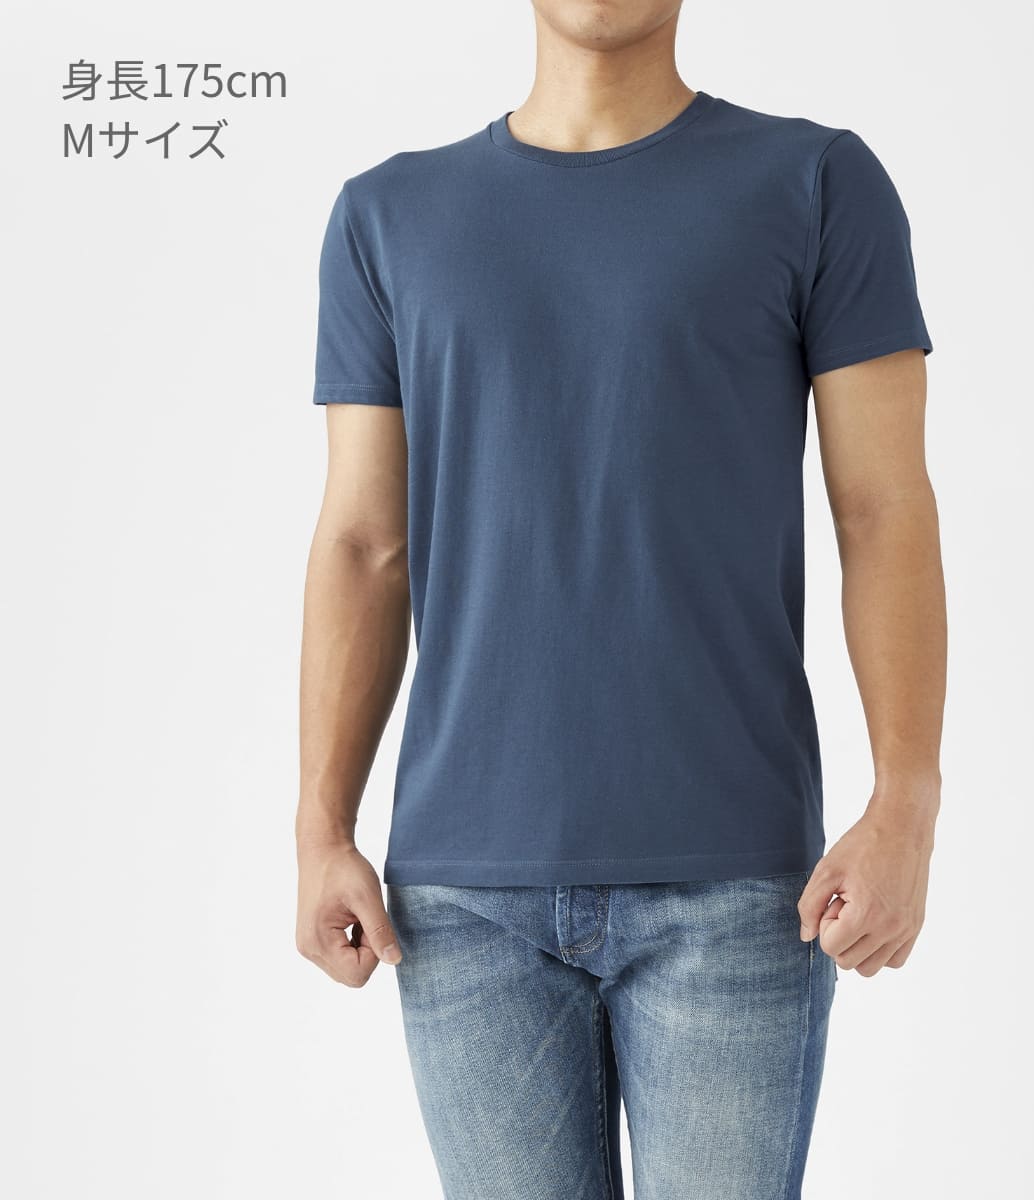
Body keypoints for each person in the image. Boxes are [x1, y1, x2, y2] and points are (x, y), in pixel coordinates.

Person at [295, 2, 945, 1196]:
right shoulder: (387, 215)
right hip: (463, 895)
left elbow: (884, 509)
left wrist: (906, 800)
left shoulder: (814, 184)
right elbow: (361, 543)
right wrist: (320, 827)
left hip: (739, 885)